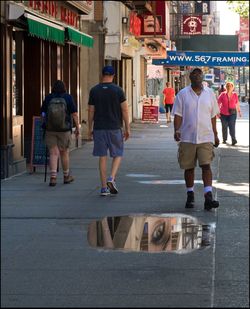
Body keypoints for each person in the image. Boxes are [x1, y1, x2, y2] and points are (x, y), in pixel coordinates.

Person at [172, 68, 220, 211]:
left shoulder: (210, 94)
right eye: (194, 77)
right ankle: (190, 194)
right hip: (187, 137)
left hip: (206, 136)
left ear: (202, 78)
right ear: (190, 79)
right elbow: (178, 115)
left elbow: (213, 116)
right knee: (189, 167)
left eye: (199, 77)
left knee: (206, 166)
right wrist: (177, 130)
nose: (197, 79)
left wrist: (216, 134)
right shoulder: (183, 94)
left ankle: (208, 196)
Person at [88, 65, 130, 196]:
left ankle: (103, 188)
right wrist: (127, 127)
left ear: (102, 74)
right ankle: (111, 178)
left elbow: (90, 110)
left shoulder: (94, 90)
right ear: (113, 76)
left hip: (99, 128)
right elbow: (124, 109)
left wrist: (89, 128)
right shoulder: (118, 90)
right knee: (118, 153)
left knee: (102, 156)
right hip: (114, 127)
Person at [41, 80, 80, 187]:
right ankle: (66, 176)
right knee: (64, 152)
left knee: (53, 153)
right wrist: (77, 128)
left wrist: (44, 122)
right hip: (64, 130)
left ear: (52, 88)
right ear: (64, 88)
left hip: (50, 129)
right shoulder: (68, 97)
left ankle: (53, 178)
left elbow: (43, 112)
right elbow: (74, 114)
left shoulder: (48, 98)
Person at [217, 81, 242, 145]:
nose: (229, 87)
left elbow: (237, 103)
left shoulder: (235, 94)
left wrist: (239, 111)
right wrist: (217, 112)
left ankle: (233, 140)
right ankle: (224, 139)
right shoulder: (222, 94)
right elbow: (218, 103)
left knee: (232, 126)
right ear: (226, 87)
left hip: (232, 113)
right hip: (223, 114)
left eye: (230, 86)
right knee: (224, 126)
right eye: (227, 86)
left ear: (232, 87)